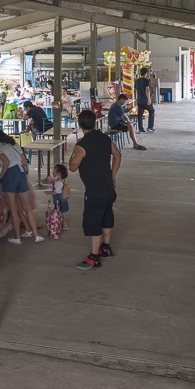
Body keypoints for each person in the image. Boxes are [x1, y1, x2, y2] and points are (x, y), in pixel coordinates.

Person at [69, 110, 121, 270]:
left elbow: (72, 167)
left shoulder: (82, 145)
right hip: (108, 188)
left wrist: (74, 149)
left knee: (93, 221)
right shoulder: (104, 138)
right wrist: (112, 175)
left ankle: (94, 256)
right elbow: (118, 155)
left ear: (79, 124)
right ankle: (105, 247)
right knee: (107, 216)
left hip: (94, 191)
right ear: (95, 122)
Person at [0, 128, 43, 244]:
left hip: (10, 175)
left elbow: (6, 162)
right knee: (27, 207)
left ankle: (17, 237)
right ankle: (36, 235)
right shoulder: (14, 143)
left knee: (13, 209)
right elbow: (24, 161)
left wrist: (0, 176)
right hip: (21, 173)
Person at [46, 164, 70, 231]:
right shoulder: (59, 181)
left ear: (58, 174)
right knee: (60, 212)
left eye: (54, 170)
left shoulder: (59, 182)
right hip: (59, 200)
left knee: (60, 212)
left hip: (60, 201)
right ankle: (62, 224)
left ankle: (64, 224)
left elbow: (57, 191)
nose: (52, 171)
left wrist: (49, 193)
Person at [134, 67, 155, 133]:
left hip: (139, 100)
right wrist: (149, 99)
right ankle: (150, 127)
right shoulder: (146, 81)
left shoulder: (137, 81)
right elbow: (147, 89)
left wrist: (135, 98)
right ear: (146, 73)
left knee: (140, 115)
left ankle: (141, 129)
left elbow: (134, 90)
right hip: (145, 100)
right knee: (152, 111)